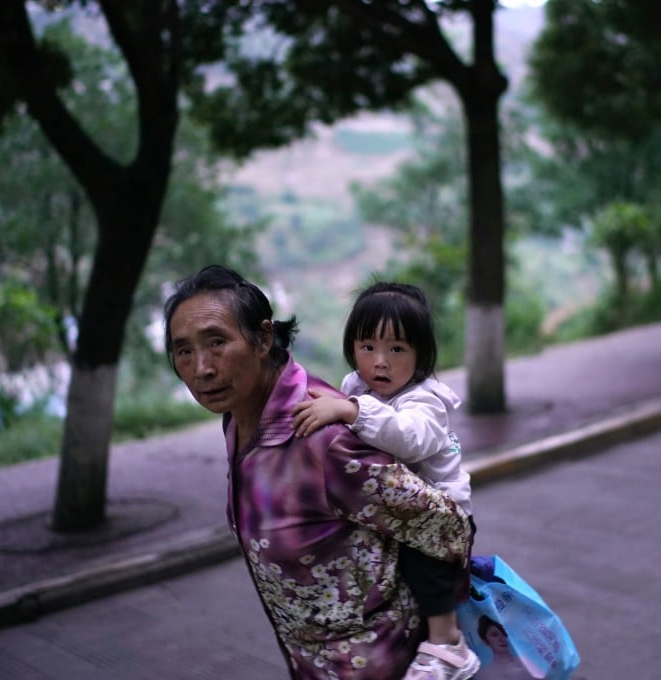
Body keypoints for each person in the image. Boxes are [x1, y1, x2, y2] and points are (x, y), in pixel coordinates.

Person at [163, 265, 473, 679]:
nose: (202, 368)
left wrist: (442, 620)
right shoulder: (239, 416)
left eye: (217, 342)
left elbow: (447, 525)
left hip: (377, 665)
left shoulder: (322, 439)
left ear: (264, 338)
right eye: (184, 351)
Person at [291, 281, 481, 680]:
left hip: (440, 514)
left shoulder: (425, 400)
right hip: (396, 508)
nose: (380, 362)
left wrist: (351, 411)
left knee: (424, 566)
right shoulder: (355, 387)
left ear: (420, 355)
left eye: (397, 349)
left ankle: (449, 644)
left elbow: (408, 438)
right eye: (368, 347)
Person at [474, 616, 543, 679]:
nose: (501, 639)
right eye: (494, 635)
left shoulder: (525, 662)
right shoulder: (483, 674)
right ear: (485, 641)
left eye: (504, 634)